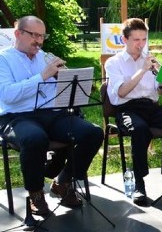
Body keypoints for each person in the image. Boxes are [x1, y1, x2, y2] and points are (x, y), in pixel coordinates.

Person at [0, 16, 103, 215]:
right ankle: (36, 193)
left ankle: (63, 181)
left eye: (42, 36)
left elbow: (65, 93)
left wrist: (67, 79)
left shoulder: (44, 56)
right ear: (18, 33)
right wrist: (43, 75)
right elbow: (8, 95)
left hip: (52, 114)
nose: (39, 41)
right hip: (17, 117)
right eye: (34, 35)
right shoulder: (3, 59)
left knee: (93, 133)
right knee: (34, 138)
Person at [104, 18, 162, 206]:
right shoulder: (113, 63)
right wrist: (142, 70)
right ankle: (139, 183)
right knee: (140, 130)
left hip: (151, 107)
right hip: (127, 109)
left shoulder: (148, 60)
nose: (141, 44)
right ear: (124, 40)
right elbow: (121, 92)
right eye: (136, 40)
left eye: (144, 39)